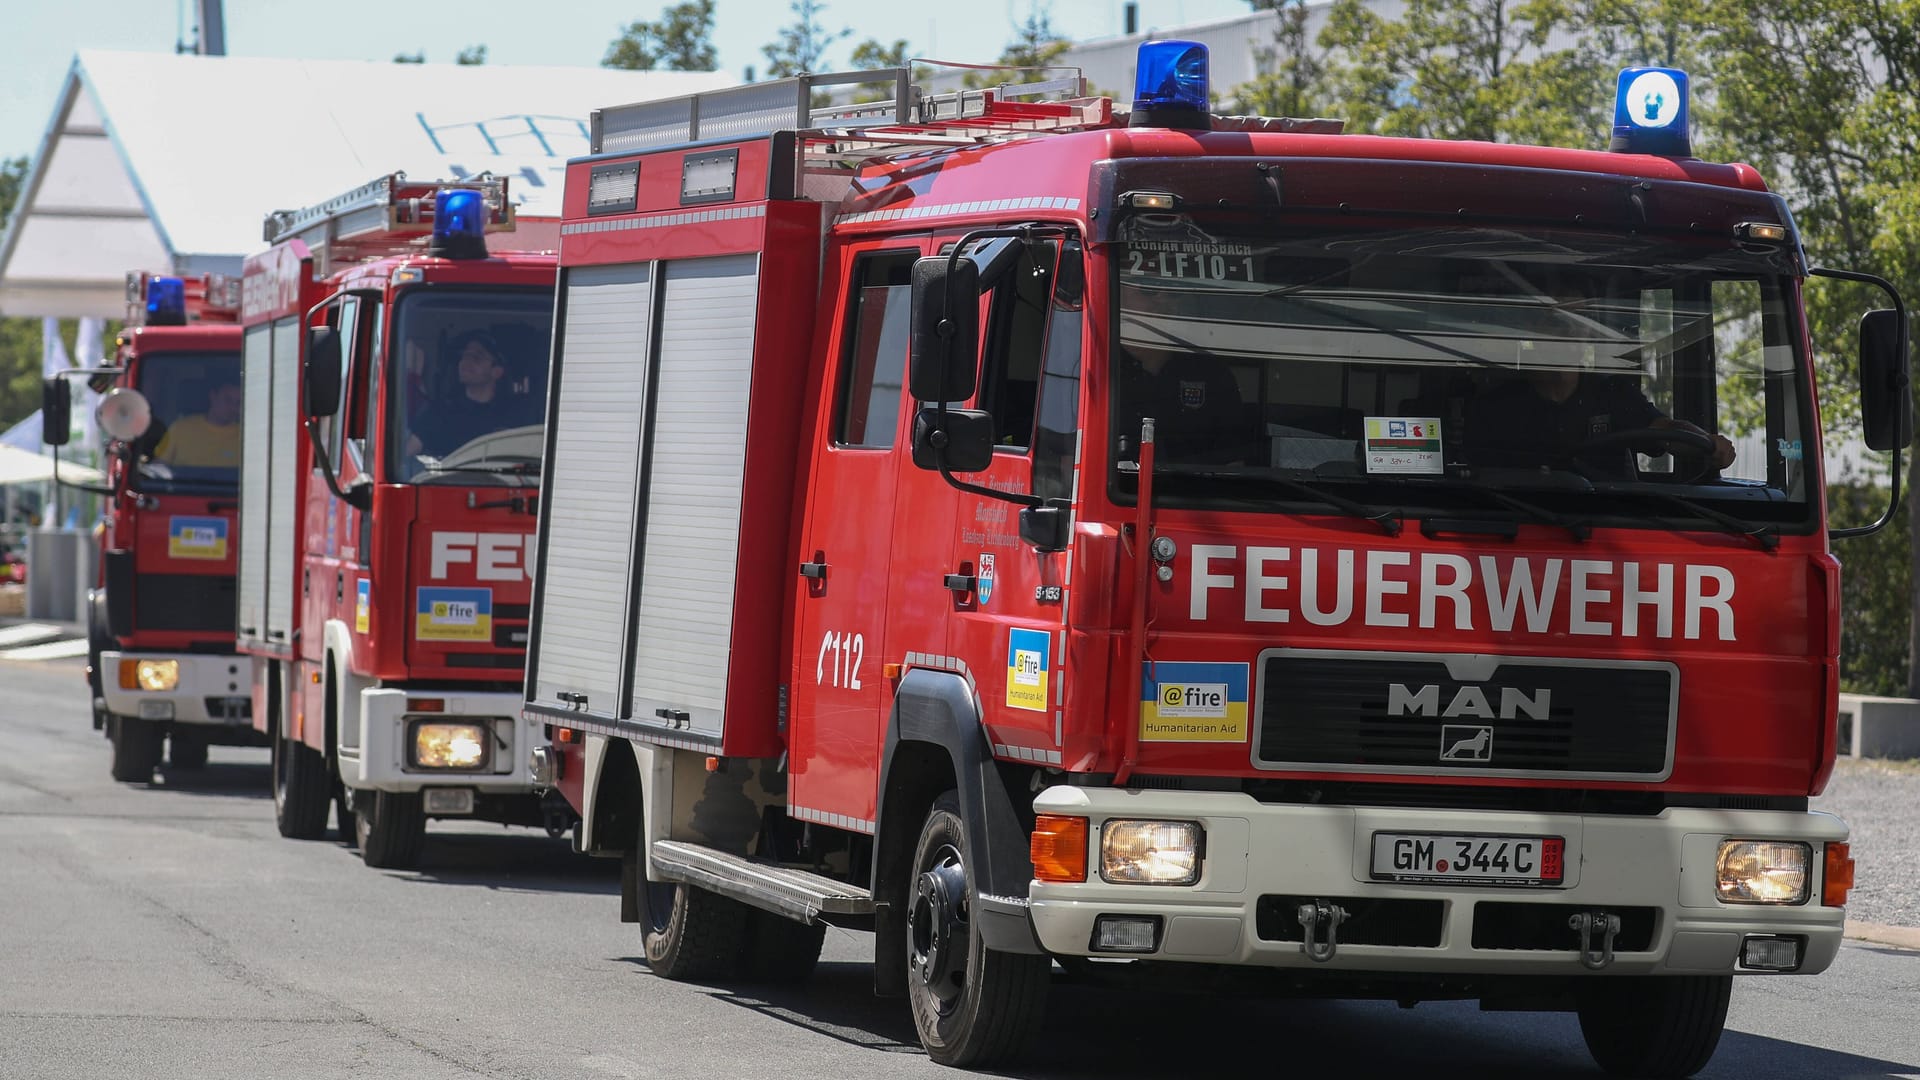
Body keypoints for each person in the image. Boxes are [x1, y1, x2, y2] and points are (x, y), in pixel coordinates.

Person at [1465, 366, 1736, 476]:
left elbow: (1665, 431)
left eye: (1574, 325)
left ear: (1587, 334)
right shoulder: (1497, 405)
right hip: (1517, 524)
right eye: (1555, 325)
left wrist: (1706, 443)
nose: (1564, 336)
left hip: (1609, 522)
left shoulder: (1613, 394)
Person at [1114, 348, 1259, 465]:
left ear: (1168, 311)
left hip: (1196, 494)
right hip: (1126, 490)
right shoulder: (1105, 365)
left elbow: (1233, 460)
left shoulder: (1209, 372)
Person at [405, 332, 535, 458]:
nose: (465, 361)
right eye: (464, 356)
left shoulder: (515, 416)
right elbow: (406, 454)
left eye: (477, 357)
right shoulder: (439, 412)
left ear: (497, 372)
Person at [153, 375, 242, 469]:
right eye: (227, 400)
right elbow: (158, 466)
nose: (233, 407)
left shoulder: (246, 436)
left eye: (238, 402)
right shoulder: (180, 428)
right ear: (213, 396)